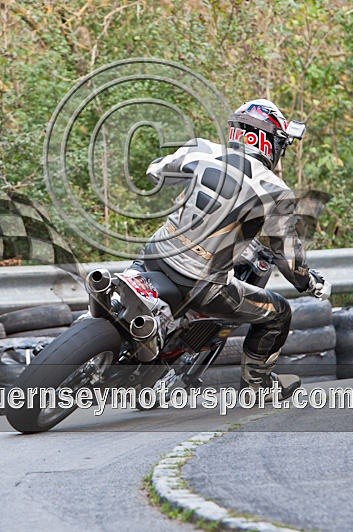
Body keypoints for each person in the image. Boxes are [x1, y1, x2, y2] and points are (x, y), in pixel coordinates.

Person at [136, 99, 330, 399]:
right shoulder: (274, 190)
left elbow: (156, 173)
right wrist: (307, 280)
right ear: (268, 142)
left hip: (155, 254)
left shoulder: (201, 149)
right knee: (279, 313)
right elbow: (287, 255)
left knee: (116, 289)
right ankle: (257, 385)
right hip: (202, 282)